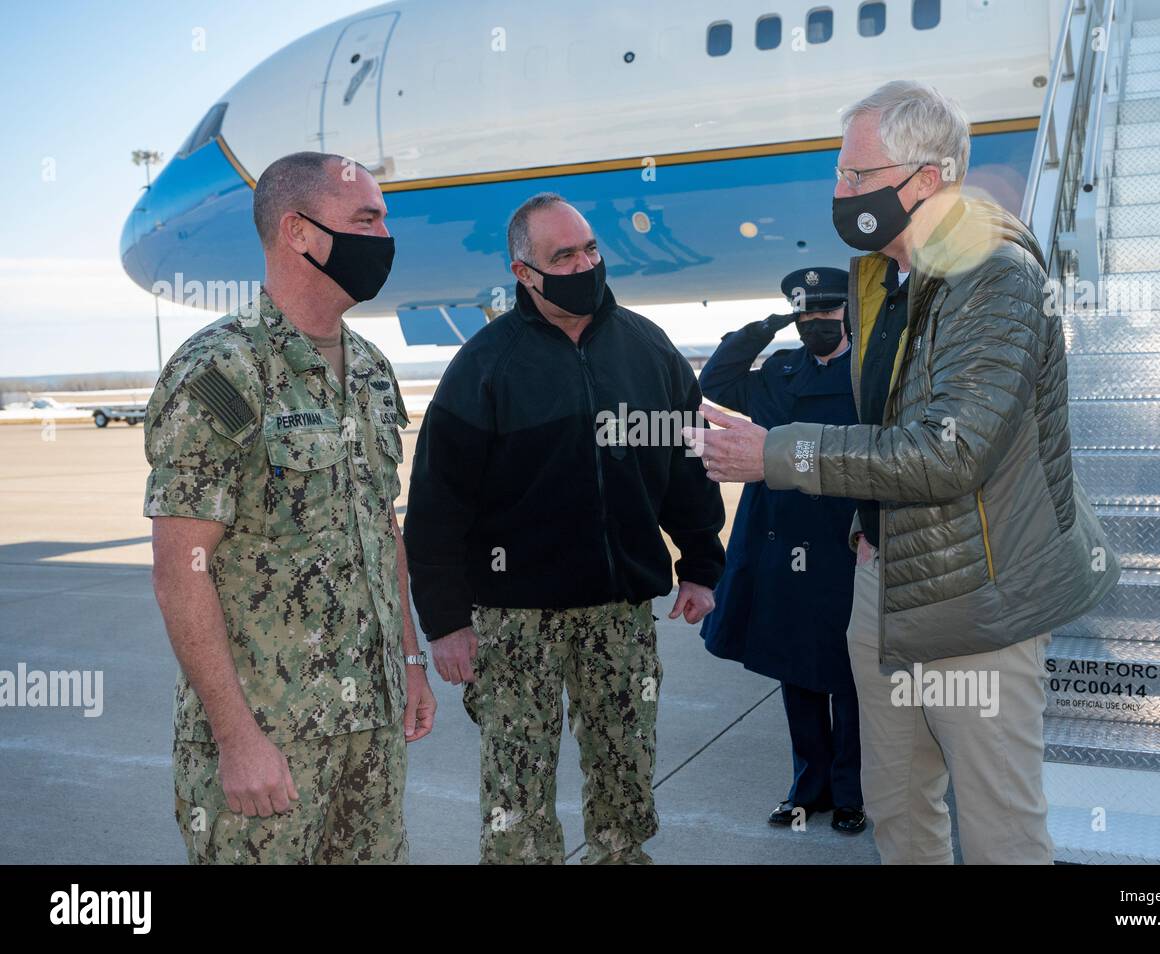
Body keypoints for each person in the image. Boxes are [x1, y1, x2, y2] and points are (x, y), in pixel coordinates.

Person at [686, 80, 1119, 864]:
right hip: (883, 585)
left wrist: (774, 453)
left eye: (857, 175)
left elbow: (950, 449)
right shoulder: (886, 281)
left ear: (927, 179)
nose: (840, 192)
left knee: (999, 832)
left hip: (976, 597)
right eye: (841, 174)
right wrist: (865, 525)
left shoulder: (993, 277)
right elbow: (888, 424)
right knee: (898, 810)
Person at [403, 192, 725, 864]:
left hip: (621, 615)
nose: (584, 264)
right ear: (523, 272)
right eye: (563, 256)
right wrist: (445, 621)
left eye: (589, 249)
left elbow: (684, 465)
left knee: (626, 787)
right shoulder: (484, 367)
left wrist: (700, 561)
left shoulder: (648, 349)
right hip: (515, 622)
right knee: (517, 803)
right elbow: (436, 506)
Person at [144, 152, 435, 864]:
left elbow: (381, 524)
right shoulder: (221, 371)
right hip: (269, 738)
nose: (384, 237)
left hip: (371, 727)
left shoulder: (369, 370)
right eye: (365, 219)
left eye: (384, 218)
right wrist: (237, 739)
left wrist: (410, 657)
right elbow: (182, 568)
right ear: (298, 232)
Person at [698, 267, 865, 834]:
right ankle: (805, 787)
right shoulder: (780, 369)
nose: (820, 325)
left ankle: (849, 792)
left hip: (842, 535)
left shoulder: (867, 372)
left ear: (848, 312)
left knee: (847, 671)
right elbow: (717, 380)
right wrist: (767, 326)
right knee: (795, 666)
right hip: (780, 533)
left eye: (828, 313)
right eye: (808, 316)